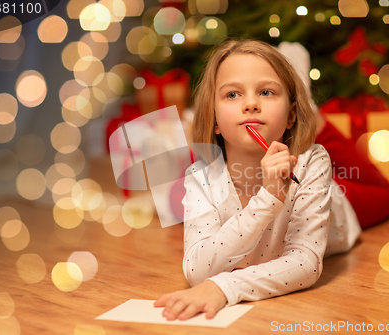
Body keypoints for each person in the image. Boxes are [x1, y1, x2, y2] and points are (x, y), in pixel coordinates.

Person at [154, 39, 364, 320]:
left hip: (339, 213)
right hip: (284, 200)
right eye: (232, 95)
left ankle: (313, 109)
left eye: (266, 92)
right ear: (214, 119)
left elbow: (305, 263)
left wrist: (224, 287)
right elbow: (197, 271)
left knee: (383, 195)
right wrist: (268, 199)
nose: (251, 104)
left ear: (291, 116)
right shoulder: (200, 180)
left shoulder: (313, 162)